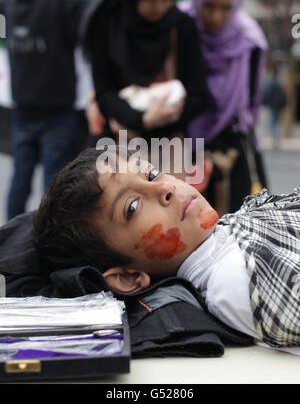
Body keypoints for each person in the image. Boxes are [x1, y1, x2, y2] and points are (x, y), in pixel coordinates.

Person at [34, 147, 300, 355]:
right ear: (127, 277)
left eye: (151, 174)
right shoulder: (232, 282)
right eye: (132, 207)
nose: (164, 188)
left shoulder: (224, 237)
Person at [84, 0, 212, 156]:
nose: (159, 7)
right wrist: (140, 119)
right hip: (116, 146)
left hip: (168, 147)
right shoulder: (107, 24)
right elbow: (104, 92)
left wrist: (162, 117)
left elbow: (199, 95)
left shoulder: (181, 25)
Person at [0, 0, 91, 220]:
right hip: (57, 113)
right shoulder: (60, 3)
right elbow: (93, 12)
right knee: (55, 185)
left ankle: (7, 238)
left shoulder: (11, 5)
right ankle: (47, 245)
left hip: (23, 111)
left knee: (20, 178)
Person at [179, 0, 269, 214]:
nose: (215, 16)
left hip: (231, 148)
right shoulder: (180, 27)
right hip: (182, 144)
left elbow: (250, 103)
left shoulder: (249, 40)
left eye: (225, 7)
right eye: (208, 5)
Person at [263, 65, 287, 150]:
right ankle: (276, 142)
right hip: (275, 106)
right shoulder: (277, 82)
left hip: (273, 106)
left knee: (273, 125)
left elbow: (269, 95)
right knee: (274, 124)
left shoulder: (273, 82)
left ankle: (276, 143)